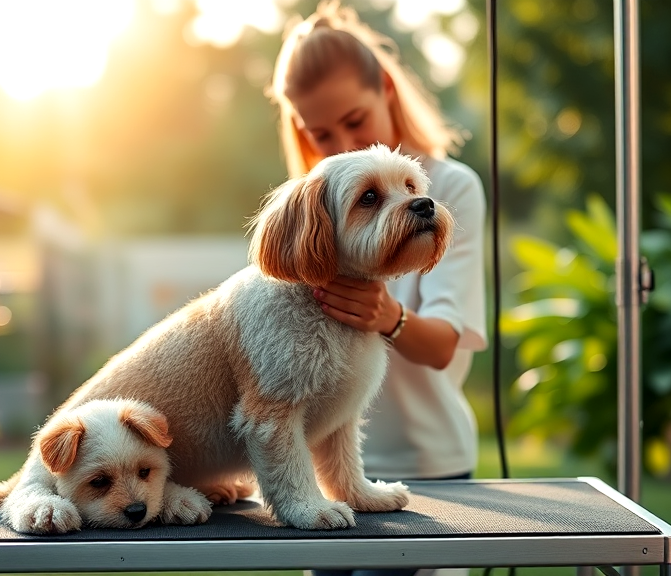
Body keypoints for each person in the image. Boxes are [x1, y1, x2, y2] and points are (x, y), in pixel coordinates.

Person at [268, 3, 487, 575]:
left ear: (387, 91)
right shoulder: (316, 215)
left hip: (425, 462)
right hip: (327, 472)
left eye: (355, 121)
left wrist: (387, 314)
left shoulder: (449, 190)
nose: (341, 144)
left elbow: (442, 346)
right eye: (321, 134)